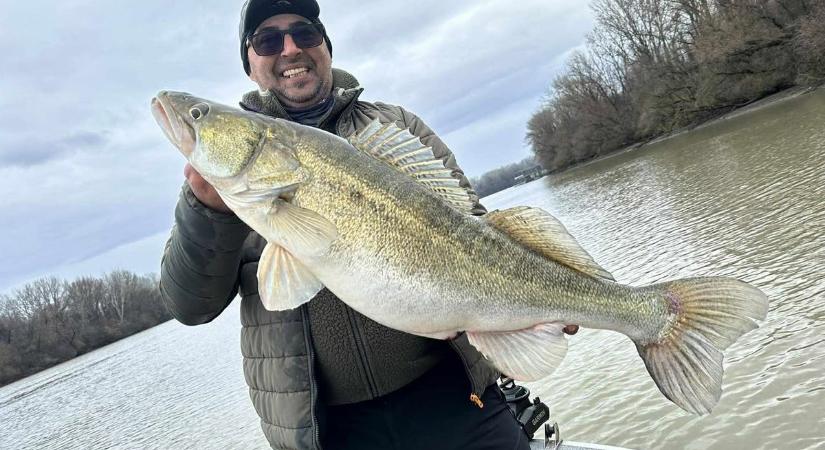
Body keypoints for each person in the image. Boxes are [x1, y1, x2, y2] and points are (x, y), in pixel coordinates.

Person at [160, 1, 578, 449]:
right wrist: (207, 211)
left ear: (325, 46)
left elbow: (477, 229)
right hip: (333, 430)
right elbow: (190, 306)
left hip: (454, 394)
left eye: (304, 33)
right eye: (267, 40)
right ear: (250, 63)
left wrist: (546, 294)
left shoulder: (396, 127)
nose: (290, 49)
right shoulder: (227, 193)